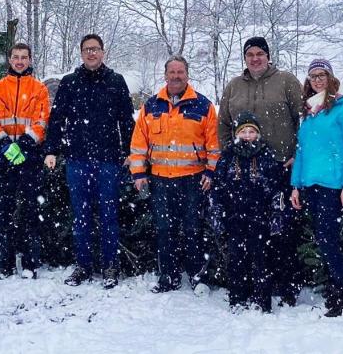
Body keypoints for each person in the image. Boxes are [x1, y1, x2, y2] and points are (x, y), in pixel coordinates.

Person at [217, 36, 304, 306]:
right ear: (245, 58)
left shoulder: (286, 81)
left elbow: (304, 118)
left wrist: (298, 153)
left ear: (268, 56)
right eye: (250, 54)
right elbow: (223, 123)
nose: (255, 59)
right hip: (244, 174)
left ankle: (286, 286)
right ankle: (247, 286)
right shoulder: (234, 86)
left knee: (282, 230)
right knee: (247, 235)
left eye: (260, 54)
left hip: (281, 168)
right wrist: (229, 154)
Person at [44, 34, 135, 289]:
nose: (91, 53)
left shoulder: (116, 81)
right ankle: (82, 266)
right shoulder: (70, 83)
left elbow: (126, 120)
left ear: (103, 52)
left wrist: (130, 152)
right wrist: (51, 150)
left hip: (109, 160)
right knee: (80, 215)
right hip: (77, 160)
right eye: (86, 49)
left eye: (95, 49)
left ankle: (110, 266)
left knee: (109, 215)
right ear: (81, 53)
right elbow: (56, 119)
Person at [129, 56, 220, 293]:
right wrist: (138, 173)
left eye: (180, 72)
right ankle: (168, 277)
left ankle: (197, 276)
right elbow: (138, 144)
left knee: (193, 229)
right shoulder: (151, 106)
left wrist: (210, 172)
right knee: (164, 230)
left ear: (187, 75)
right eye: (172, 72)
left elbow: (214, 145)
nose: (176, 76)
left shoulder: (203, 105)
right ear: (165, 75)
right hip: (160, 179)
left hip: (192, 179)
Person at [290, 58, 343, 317]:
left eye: (322, 75)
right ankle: (337, 292)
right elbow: (301, 152)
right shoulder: (309, 113)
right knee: (324, 241)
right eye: (313, 76)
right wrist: (296, 185)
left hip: (333, 186)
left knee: (329, 241)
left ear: (331, 78)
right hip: (311, 185)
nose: (318, 80)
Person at [0, 42, 51, 280]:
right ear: (10, 59)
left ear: (30, 60)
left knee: (30, 211)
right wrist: (5, 146)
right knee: (5, 211)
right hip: (4, 160)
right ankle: (6, 262)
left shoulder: (39, 89)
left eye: (24, 57)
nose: (20, 61)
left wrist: (23, 144)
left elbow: (41, 121)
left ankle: (31, 262)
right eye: (16, 57)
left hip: (30, 159)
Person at [213, 111, 283, 313]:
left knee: (260, 258)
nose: (247, 136)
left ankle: (261, 299)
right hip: (234, 216)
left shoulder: (266, 155)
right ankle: (237, 298)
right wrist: (217, 211)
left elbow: (275, 187)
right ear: (237, 134)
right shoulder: (228, 156)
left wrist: (276, 213)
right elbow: (218, 187)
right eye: (243, 131)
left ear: (257, 134)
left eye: (251, 131)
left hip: (259, 217)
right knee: (236, 258)